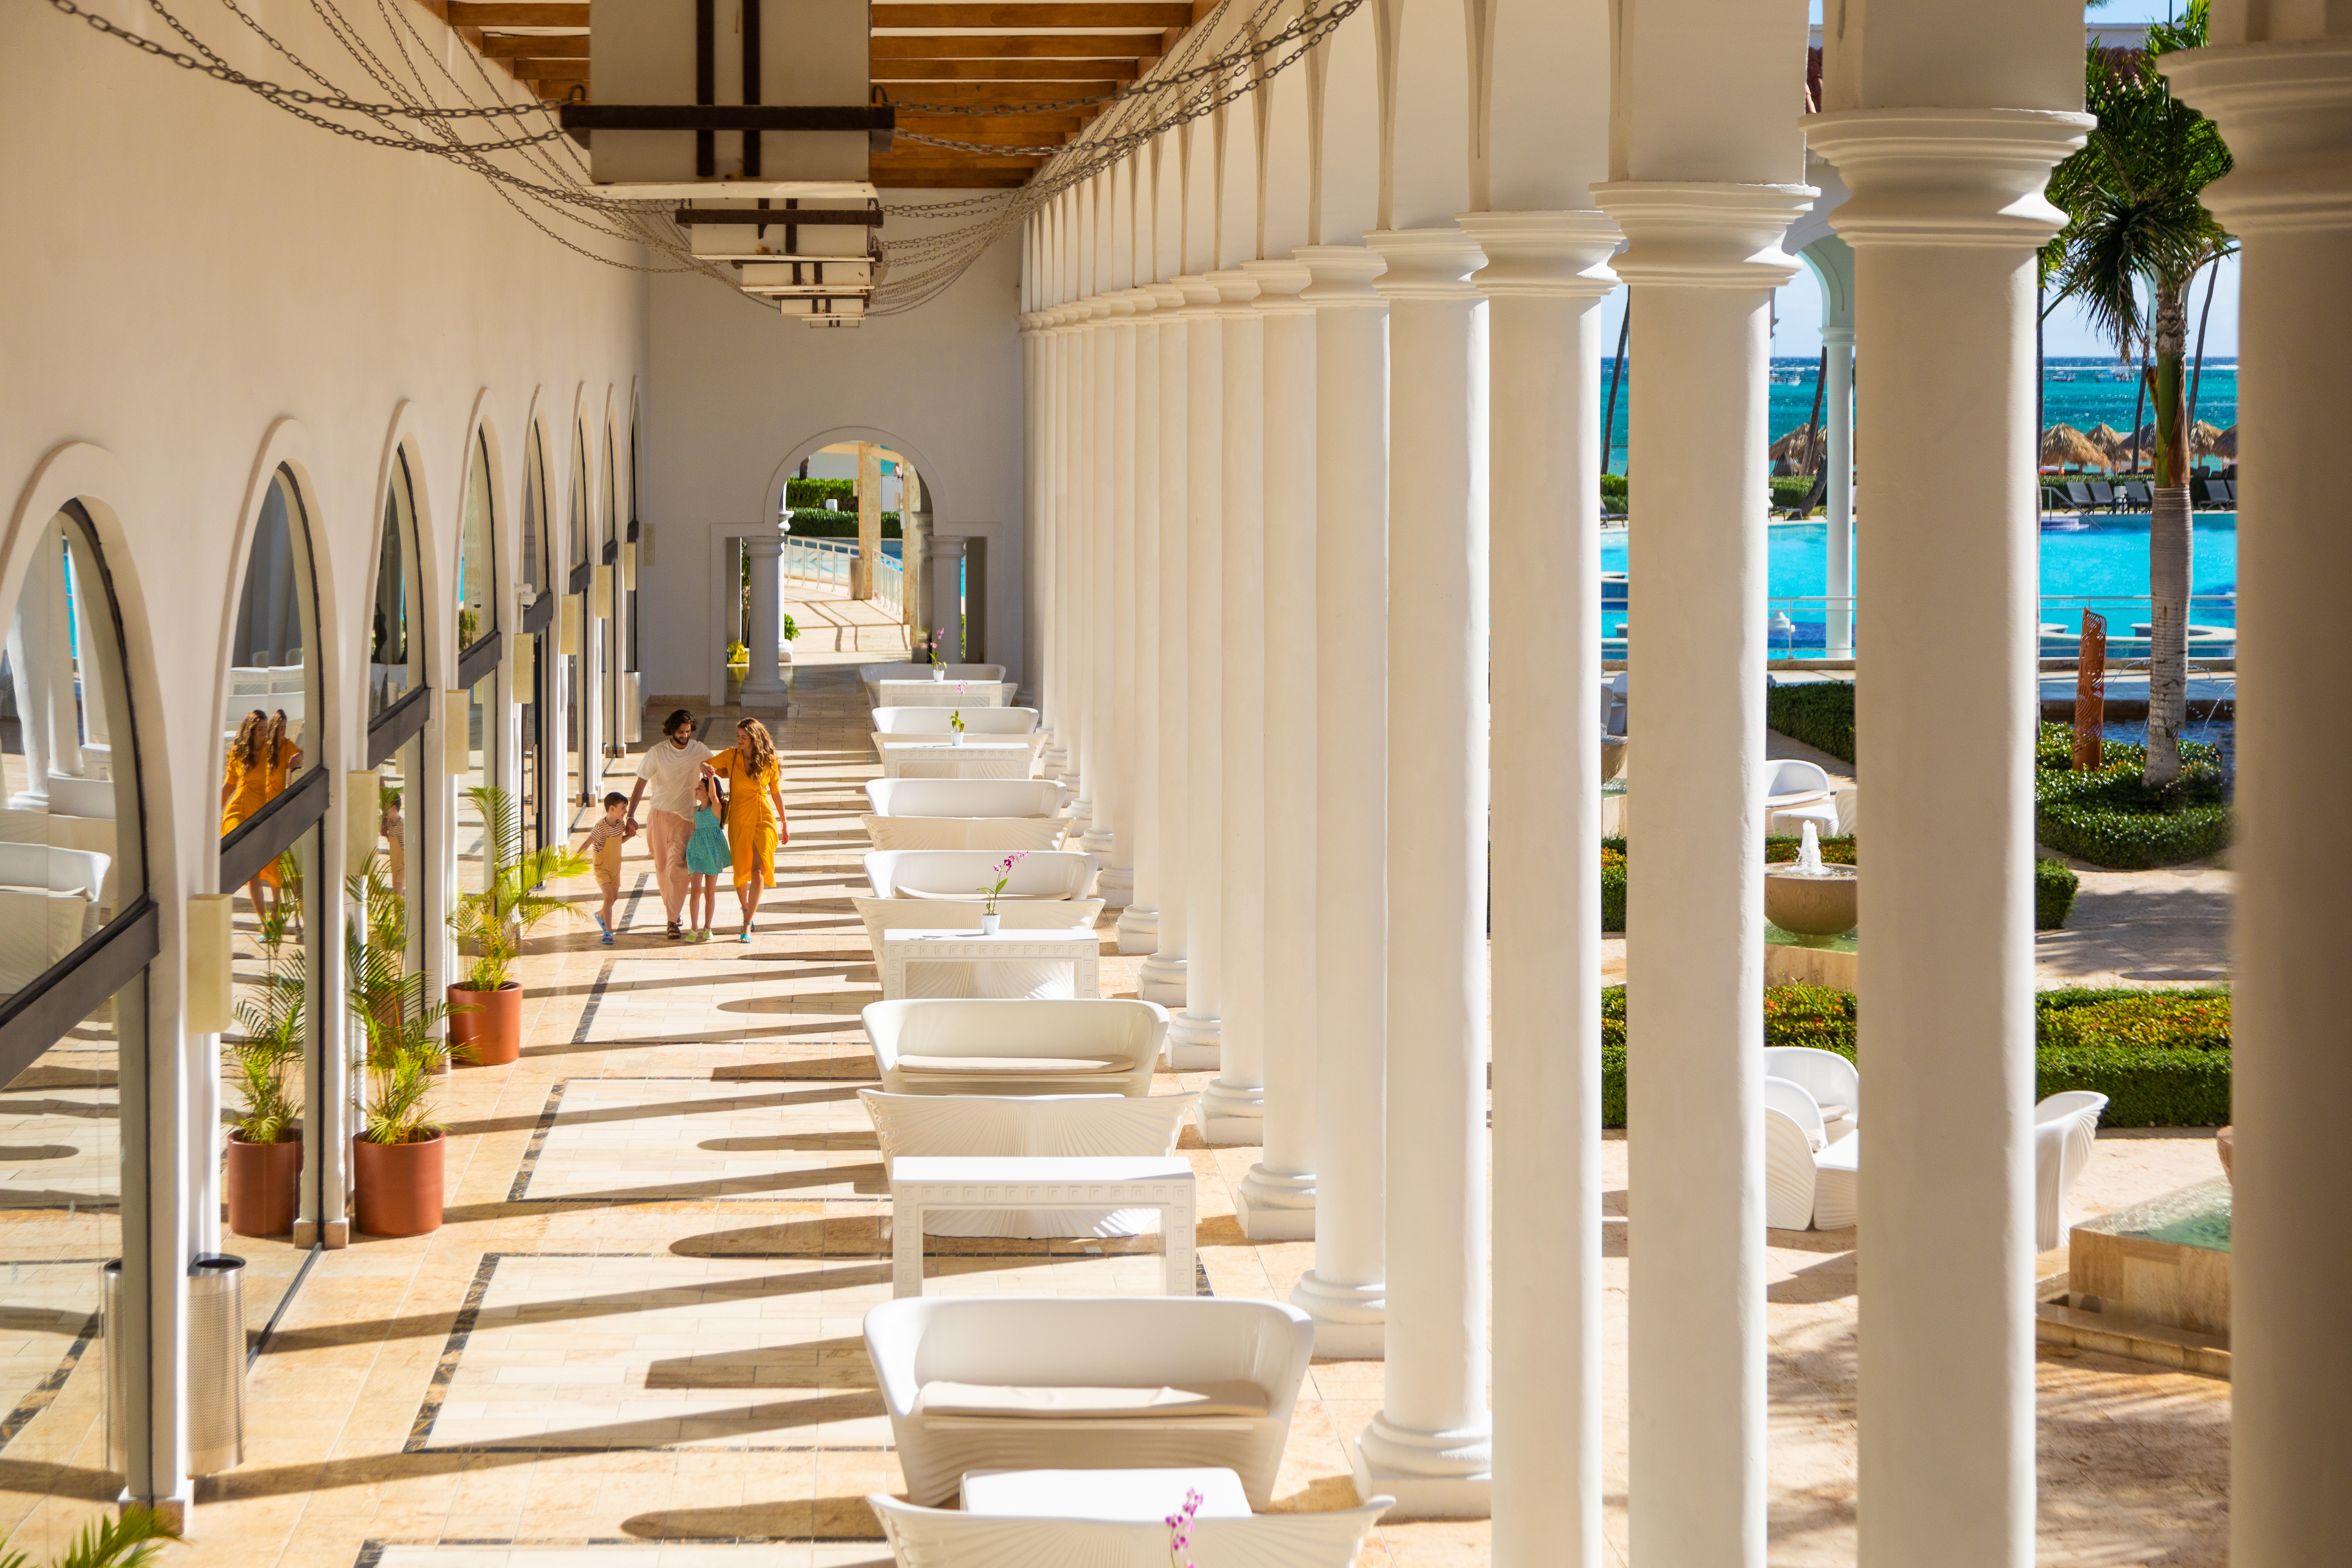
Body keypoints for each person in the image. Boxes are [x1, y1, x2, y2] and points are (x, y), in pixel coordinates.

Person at [626, 708, 713, 940]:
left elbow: (718, 769)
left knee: (678, 868)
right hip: (659, 817)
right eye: (681, 732)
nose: (685, 736)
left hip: (685, 819)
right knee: (663, 868)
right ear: (672, 730)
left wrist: (707, 768)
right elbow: (640, 785)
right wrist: (631, 816)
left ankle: (672, 921)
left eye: (688, 731)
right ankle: (672, 910)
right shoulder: (657, 752)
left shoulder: (699, 750)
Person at [703, 716, 787, 942]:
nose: (740, 740)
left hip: (764, 817)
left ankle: (747, 923)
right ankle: (746, 908)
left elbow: (776, 792)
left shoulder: (769, 760)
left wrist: (785, 822)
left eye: (744, 737)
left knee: (759, 870)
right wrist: (706, 767)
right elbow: (708, 763)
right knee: (742, 871)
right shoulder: (732, 755)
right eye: (738, 736)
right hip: (739, 818)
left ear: (755, 739)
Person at [220, 709, 275, 918]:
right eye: (260, 729)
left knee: (257, 871)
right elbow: (229, 786)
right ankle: (264, 922)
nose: (264, 732)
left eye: (266, 728)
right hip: (237, 810)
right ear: (251, 730)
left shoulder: (272, 752)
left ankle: (268, 922)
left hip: (260, 812)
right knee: (245, 861)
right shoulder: (239, 753)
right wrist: (213, 816)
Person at [683, 775, 731, 942]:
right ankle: (694, 928)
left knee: (710, 893)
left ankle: (708, 928)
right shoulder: (694, 811)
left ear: (708, 793)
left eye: (699, 788)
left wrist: (710, 778)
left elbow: (714, 796)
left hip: (713, 853)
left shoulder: (716, 808)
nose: (696, 790)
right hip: (696, 852)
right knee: (696, 892)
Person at [582, 791, 633, 943]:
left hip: (615, 868)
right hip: (602, 868)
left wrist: (629, 835)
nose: (626, 811)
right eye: (623, 808)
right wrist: (575, 859)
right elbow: (587, 843)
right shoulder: (600, 828)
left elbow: (618, 840)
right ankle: (609, 932)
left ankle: (600, 914)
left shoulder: (620, 824)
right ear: (612, 808)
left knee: (614, 897)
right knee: (609, 897)